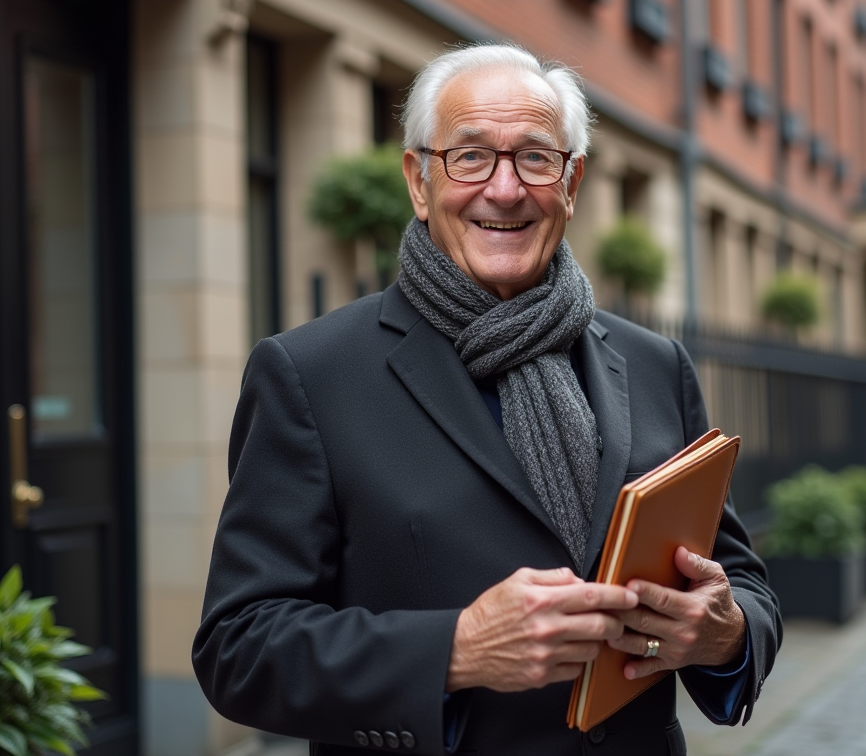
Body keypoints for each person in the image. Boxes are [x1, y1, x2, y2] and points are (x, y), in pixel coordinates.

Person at [192, 44, 781, 755]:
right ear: (419, 181)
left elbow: (741, 581)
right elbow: (239, 648)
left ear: (571, 182)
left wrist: (726, 633)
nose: (505, 189)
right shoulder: (310, 374)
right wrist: (456, 649)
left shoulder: (655, 363)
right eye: (469, 157)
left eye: (535, 158)